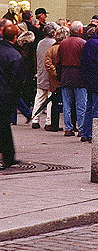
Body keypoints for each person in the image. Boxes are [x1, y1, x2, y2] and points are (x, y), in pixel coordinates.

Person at [52, 20, 86, 137]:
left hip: (66, 75)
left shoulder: (63, 44)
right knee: (81, 105)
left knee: (67, 104)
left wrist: (59, 76)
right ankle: (81, 129)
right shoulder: (82, 43)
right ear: (80, 30)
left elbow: (58, 62)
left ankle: (68, 128)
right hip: (79, 77)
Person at [0, 18, 25, 168]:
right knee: (3, 126)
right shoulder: (15, 56)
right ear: (15, 37)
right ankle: (8, 156)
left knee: (3, 126)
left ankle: (9, 155)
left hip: (4, 93)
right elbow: (17, 81)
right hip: (4, 95)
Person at [43, 24, 69, 131]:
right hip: (65, 78)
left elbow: (48, 64)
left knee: (54, 103)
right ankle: (69, 125)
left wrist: (55, 73)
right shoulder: (66, 48)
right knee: (68, 102)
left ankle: (54, 124)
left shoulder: (51, 49)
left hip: (54, 80)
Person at [31, 23, 58, 129]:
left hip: (41, 73)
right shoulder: (54, 43)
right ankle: (48, 122)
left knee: (39, 97)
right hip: (51, 75)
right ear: (53, 32)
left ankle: (35, 119)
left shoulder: (40, 43)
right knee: (50, 99)